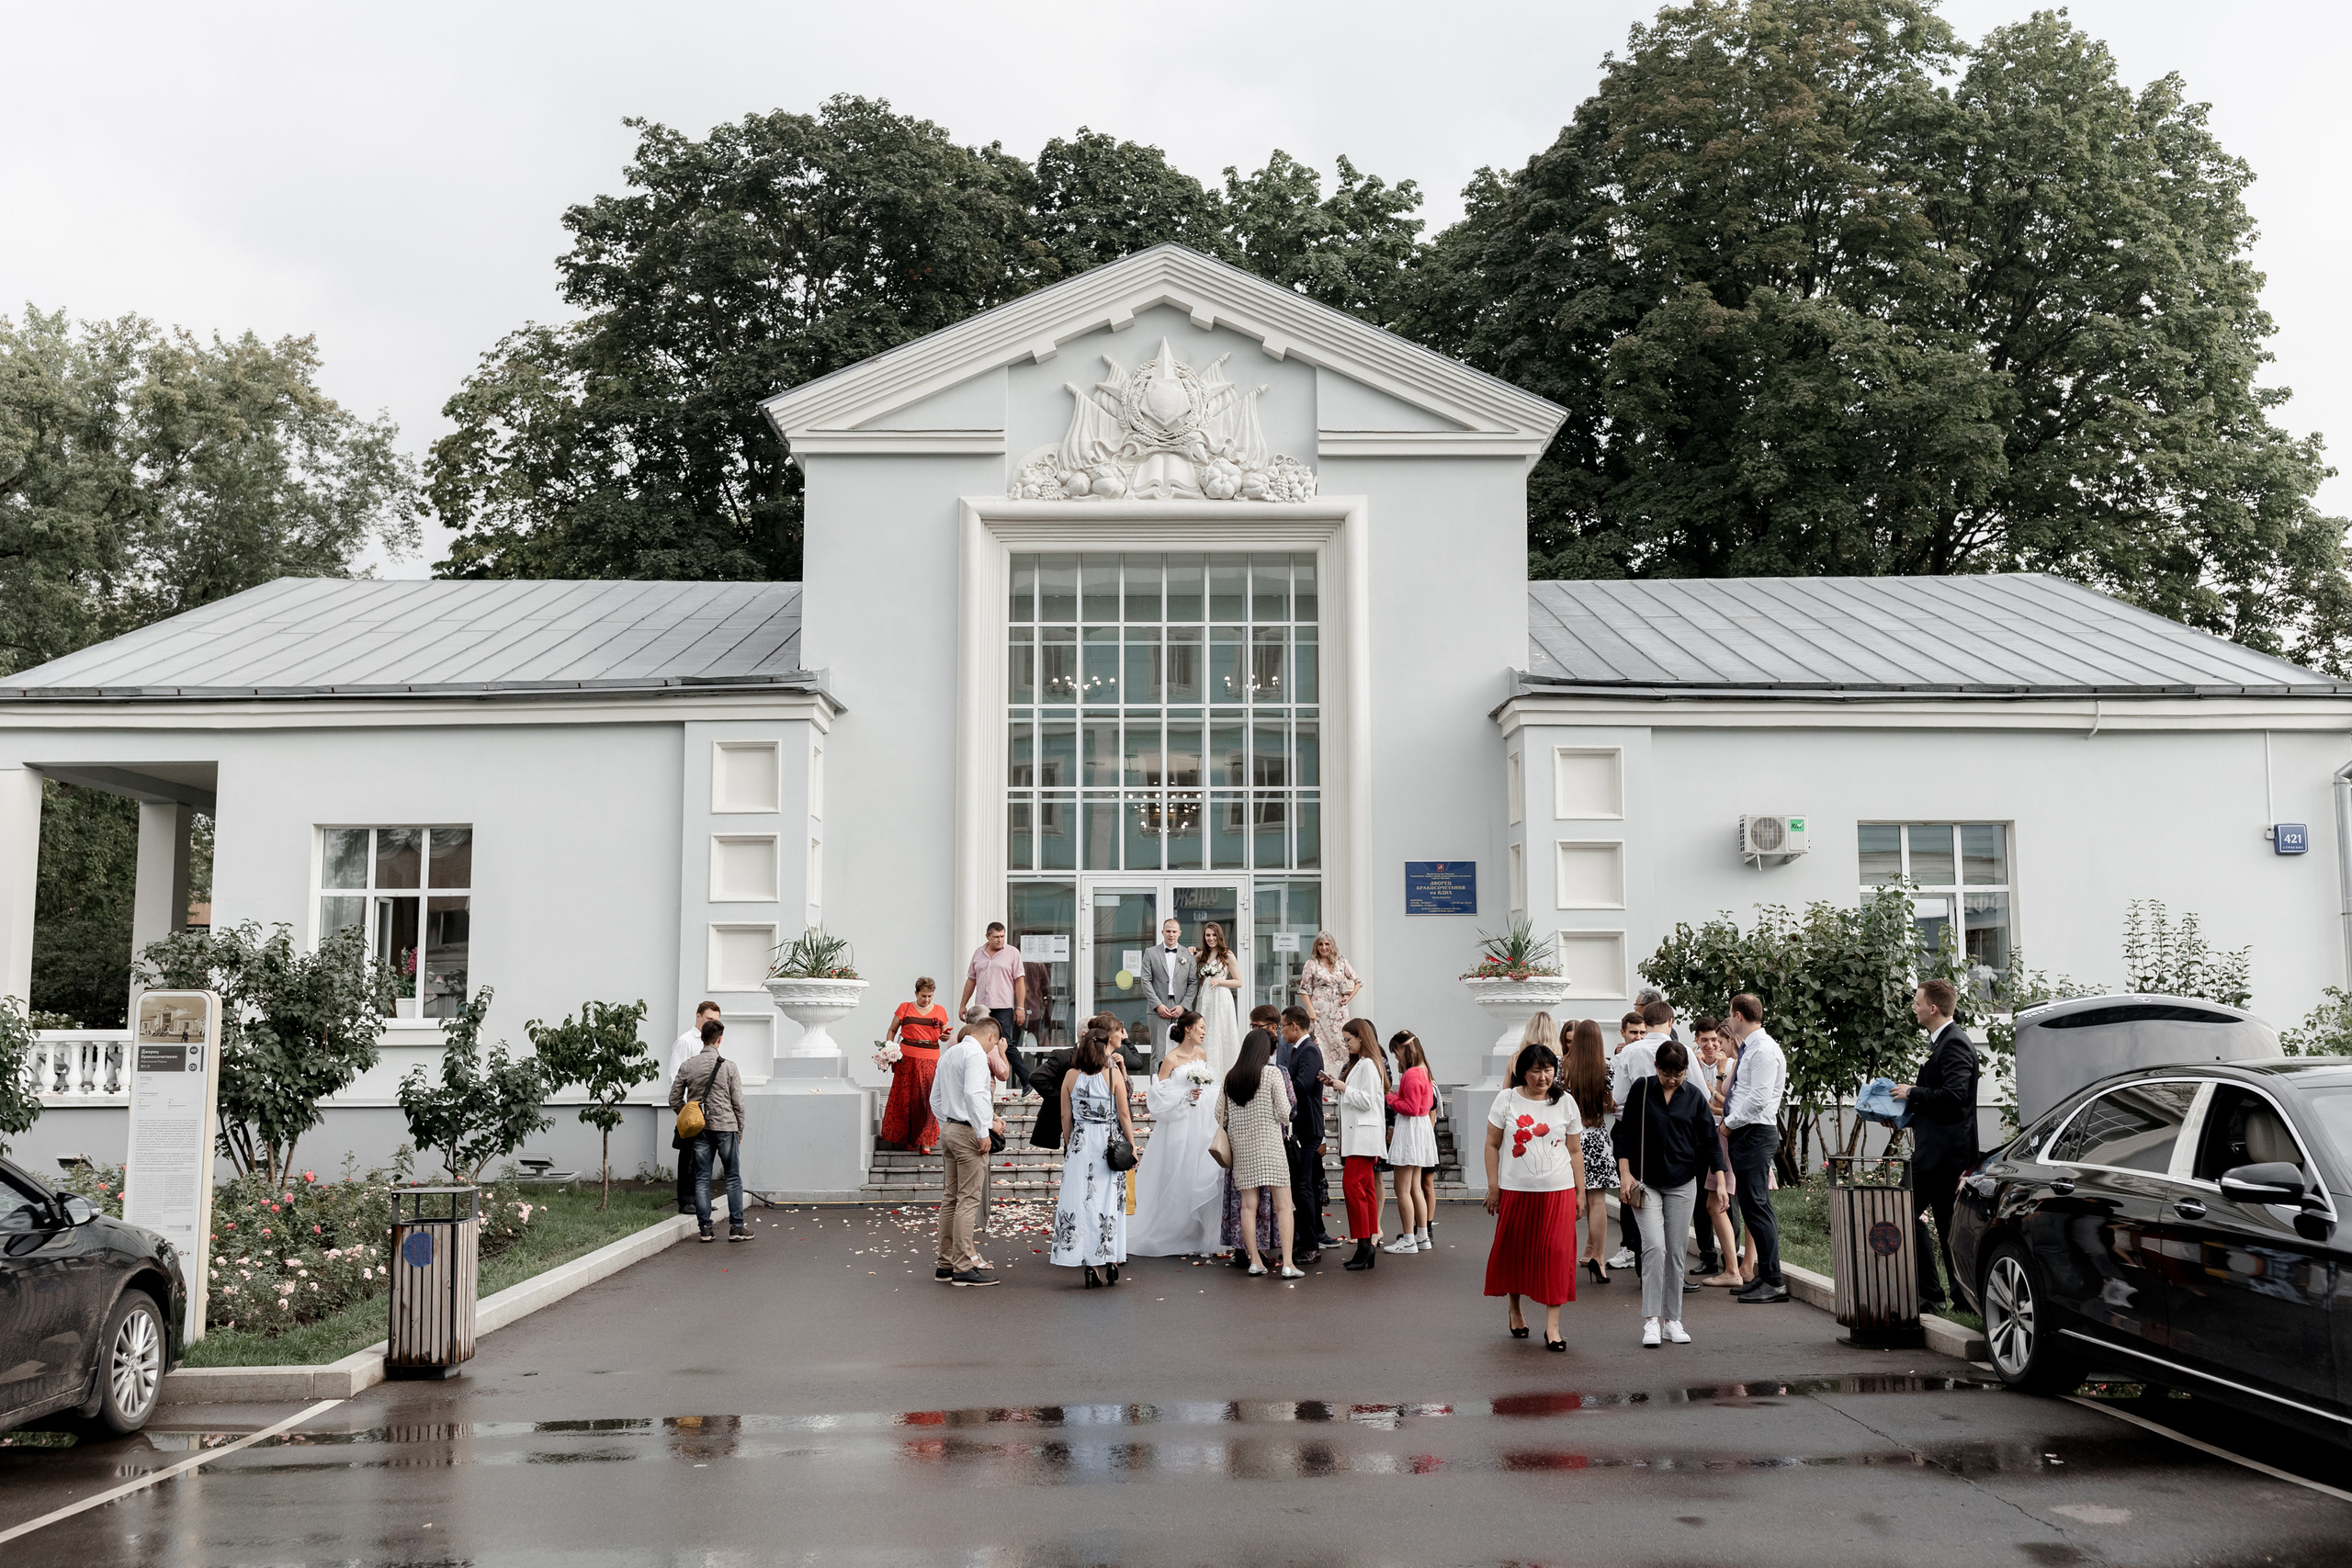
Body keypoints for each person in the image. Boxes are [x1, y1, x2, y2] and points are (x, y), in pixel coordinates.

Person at [1614, 1040, 1726, 1347]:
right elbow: (1624, 1135)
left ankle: (1672, 1320)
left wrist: (1719, 1178)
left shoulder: (1694, 1097)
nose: (1672, 1079)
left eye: (1678, 1074)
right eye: (1666, 1073)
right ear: (1656, 1068)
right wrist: (1625, 1175)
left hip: (1682, 1183)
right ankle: (1652, 1320)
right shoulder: (1641, 1089)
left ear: (1686, 1071)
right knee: (1654, 1248)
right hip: (1644, 1183)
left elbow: (1709, 1140)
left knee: (1676, 1253)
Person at [1482, 1041, 1583, 1350]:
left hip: (1558, 1192)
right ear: (1522, 1072)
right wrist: (1494, 1186)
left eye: (1548, 1070)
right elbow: (1492, 1144)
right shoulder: (1506, 1099)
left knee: (1556, 1254)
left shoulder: (1565, 1102)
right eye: (1536, 1070)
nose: (1543, 1077)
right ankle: (1515, 1309)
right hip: (1516, 1191)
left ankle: (1553, 1327)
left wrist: (1580, 1191)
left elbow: (1575, 1150)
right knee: (1516, 1252)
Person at [1894, 978, 1982, 1312]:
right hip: (1941, 1152)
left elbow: (1956, 1097)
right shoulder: (1943, 1042)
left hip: (1943, 1156)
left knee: (1901, 1211)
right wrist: (1905, 1115)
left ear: (1933, 1008)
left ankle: (1932, 1295)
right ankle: (1959, 1299)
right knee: (1947, 1226)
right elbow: (1940, 1103)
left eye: (1917, 1002)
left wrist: (1911, 1093)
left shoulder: (1954, 1044)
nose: (1913, 1008)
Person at [1129, 1012, 1225, 1258]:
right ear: (1189, 1029)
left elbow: (1211, 1087)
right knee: (1179, 1171)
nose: (1204, 1031)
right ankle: (1174, 1230)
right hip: (1181, 1123)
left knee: (1205, 1172)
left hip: (1205, 1122)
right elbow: (1158, 1095)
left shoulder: (1203, 1055)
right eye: (1201, 1027)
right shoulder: (1171, 1059)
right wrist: (1184, 1097)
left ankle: (1203, 1233)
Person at [1050, 1023, 1137, 1287]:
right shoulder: (1112, 1076)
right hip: (1107, 1141)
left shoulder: (1070, 1076)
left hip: (1081, 1141)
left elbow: (1066, 1115)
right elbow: (1124, 1114)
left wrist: (1070, 1142)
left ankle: (1089, 1265)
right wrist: (1132, 1144)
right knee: (1108, 1201)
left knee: (1081, 1201)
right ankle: (1110, 1259)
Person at [1722, 994, 1791, 1304]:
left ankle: (1774, 1281)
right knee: (1752, 1206)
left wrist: (1730, 1122)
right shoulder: (1752, 1048)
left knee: (1757, 1206)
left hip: (1754, 1133)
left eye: (1730, 1015)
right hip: (1746, 1133)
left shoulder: (1762, 1050)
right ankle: (1765, 1275)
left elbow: (1760, 1098)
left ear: (1738, 1015)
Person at [1217, 1028, 1301, 1277]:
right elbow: (1285, 1113)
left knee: (1248, 1206)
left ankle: (1255, 1261)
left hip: (1243, 1150)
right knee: (1284, 1205)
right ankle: (1287, 1264)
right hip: (1271, 1148)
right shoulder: (1272, 1074)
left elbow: (1218, 1115)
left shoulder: (1231, 1077)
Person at [930, 1017, 1006, 1286]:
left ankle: (945, 1263)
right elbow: (975, 1094)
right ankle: (963, 1267)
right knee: (967, 1199)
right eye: (995, 1044)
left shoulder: (950, 1054)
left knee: (951, 1198)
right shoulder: (975, 1055)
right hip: (969, 1131)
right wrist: (983, 1130)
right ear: (991, 1037)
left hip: (950, 1128)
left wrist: (947, 1124)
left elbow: (935, 1098)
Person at [668, 1019, 749, 1243]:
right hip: (726, 1126)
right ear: (719, 1040)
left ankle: (705, 1230)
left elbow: (674, 1098)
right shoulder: (729, 1066)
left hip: (700, 1129)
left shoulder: (688, 1066)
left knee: (702, 1177)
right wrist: (739, 1131)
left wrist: (687, 1116)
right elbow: (738, 1103)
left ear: (701, 1038)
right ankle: (736, 1228)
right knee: (732, 1177)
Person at [1329, 1018, 1390, 1269]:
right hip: (1362, 1137)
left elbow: (1366, 1101)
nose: (1346, 1045)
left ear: (1361, 1037)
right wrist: (1340, 1086)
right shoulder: (1363, 1064)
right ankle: (1366, 1248)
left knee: (1354, 1189)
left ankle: (1365, 1246)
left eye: (1348, 1039)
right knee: (1364, 1191)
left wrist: (1344, 1088)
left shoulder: (1368, 1065)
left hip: (1364, 1138)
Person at [1691, 1018, 1747, 1288]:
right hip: (1700, 1136)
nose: (1711, 1045)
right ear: (1697, 1040)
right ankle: (1707, 1255)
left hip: (1726, 1135)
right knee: (1702, 1200)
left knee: (1727, 1199)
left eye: (1716, 1039)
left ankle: (1731, 1257)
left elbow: (1720, 1104)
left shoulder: (1732, 1065)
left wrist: (1715, 1088)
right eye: (1705, 1040)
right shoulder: (1693, 1063)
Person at [1560, 1018, 1615, 1285]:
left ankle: (1560, 1260)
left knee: (1564, 1199)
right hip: (1596, 1137)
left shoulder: (1562, 1066)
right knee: (1597, 1201)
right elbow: (1609, 1103)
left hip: (1570, 1139)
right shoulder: (1606, 1067)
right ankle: (1599, 1258)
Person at [958, 922, 1034, 1096]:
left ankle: (1026, 1080)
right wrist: (963, 1004)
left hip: (1003, 1006)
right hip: (982, 1007)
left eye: (1002, 937)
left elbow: (1019, 981)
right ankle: (980, 1082)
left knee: (1005, 1043)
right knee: (978, 1042)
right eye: (996, 937)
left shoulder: (1012, 953)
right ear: (987, 937)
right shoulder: (978, 953)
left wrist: (1020, 1007)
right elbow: (971, 980)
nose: (1000, 940)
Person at [1278, 1005, 1329, 1263]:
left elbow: (1302, 1085)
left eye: (1283, 1026)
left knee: (1304, 1188)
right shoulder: (1300, 1049)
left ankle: (1312, 1245)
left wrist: (1276, 1086)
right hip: (1302, 1128)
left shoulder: (1309, 1050)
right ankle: (1304, 1241)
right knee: (1300, 1188)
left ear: (1294, 1026)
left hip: (1309, 1129)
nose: (1281, 1031)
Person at [877, 977, 949, 1154]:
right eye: (923, 996)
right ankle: (909, 1139)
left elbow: (943, 1033)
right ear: (916, 993)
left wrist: (945, 1036)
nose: (927, 1000)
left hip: (931, 1058)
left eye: (930, 996)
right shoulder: (905, 1007)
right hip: (907, 1057)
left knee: (927, 1098)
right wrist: (890, 1047)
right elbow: (892, 1030)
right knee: (905, 1098)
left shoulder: (940, 1010)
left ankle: (925, 1142)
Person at [1383, 1031, 1437, 1254]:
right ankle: (1422, 1236)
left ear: (1404, 1049)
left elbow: (1410, 1108)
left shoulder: (1412, 1073)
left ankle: (1408, 1239)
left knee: (1402, 1188)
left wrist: (1389, 1096)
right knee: (1415, 1187)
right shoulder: (1424, 1071)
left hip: (1410, 1129)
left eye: (1396, 1053)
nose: (1396, 1058)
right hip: (1421, 1129)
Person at [668, 1000, 721, 1214]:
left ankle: (700, 1199)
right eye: (709, 1019)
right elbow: (674, 1077)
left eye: (716, 1021)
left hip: (708, 1110)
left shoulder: (712, 1043)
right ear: (698, 1016)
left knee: (703, 1157)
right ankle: (686, 1200)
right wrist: (683, 1110)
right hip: (691, 1108)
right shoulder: (685, 1042)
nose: (713, 1023)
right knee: (689, 1156)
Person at [1296, 932, 1361, 1065]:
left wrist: (1348, 999)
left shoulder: (1341, 961)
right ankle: (1324, 1081)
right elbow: (1304, 990)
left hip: (1339, 1011)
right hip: (1320, 1011)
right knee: (1322, 1046)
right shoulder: (1312, 964)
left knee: (1343, 1043)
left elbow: (1358, 982)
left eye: (1327, 944)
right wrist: (1310, 1010)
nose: (1324, 947)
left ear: (1332, 945)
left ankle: (1344, 1077)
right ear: (1316, 946)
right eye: (1321, 944)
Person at [1140, 918, 1200, 1051]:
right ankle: (1157, 1073)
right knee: (1159, 1051)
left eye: (1174, 931)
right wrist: (1158, 1005)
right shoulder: (1150, 953)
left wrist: (1184, 1006)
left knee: (1183, 1048)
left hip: (1181, 1007)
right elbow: (1145, 981)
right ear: (1162, 932)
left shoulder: (1188, 956)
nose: (1171, 934)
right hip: (1158, 1007)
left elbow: (1193, 983)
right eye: (1168, 931)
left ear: (1180, 933)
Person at [1194, 921, 1245, 1080]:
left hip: (1221, 997)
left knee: (1220, 1031)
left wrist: (1220, 981)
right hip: (1205, 998)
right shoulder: (1201, 955)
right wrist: (1190, 951)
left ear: (1219, 936)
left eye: (1214, 935)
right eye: (1208, 935)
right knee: (1206, 1031)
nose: (1211, 938)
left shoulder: (1227, 955)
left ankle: (1224, 1074)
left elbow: (1239, 982)